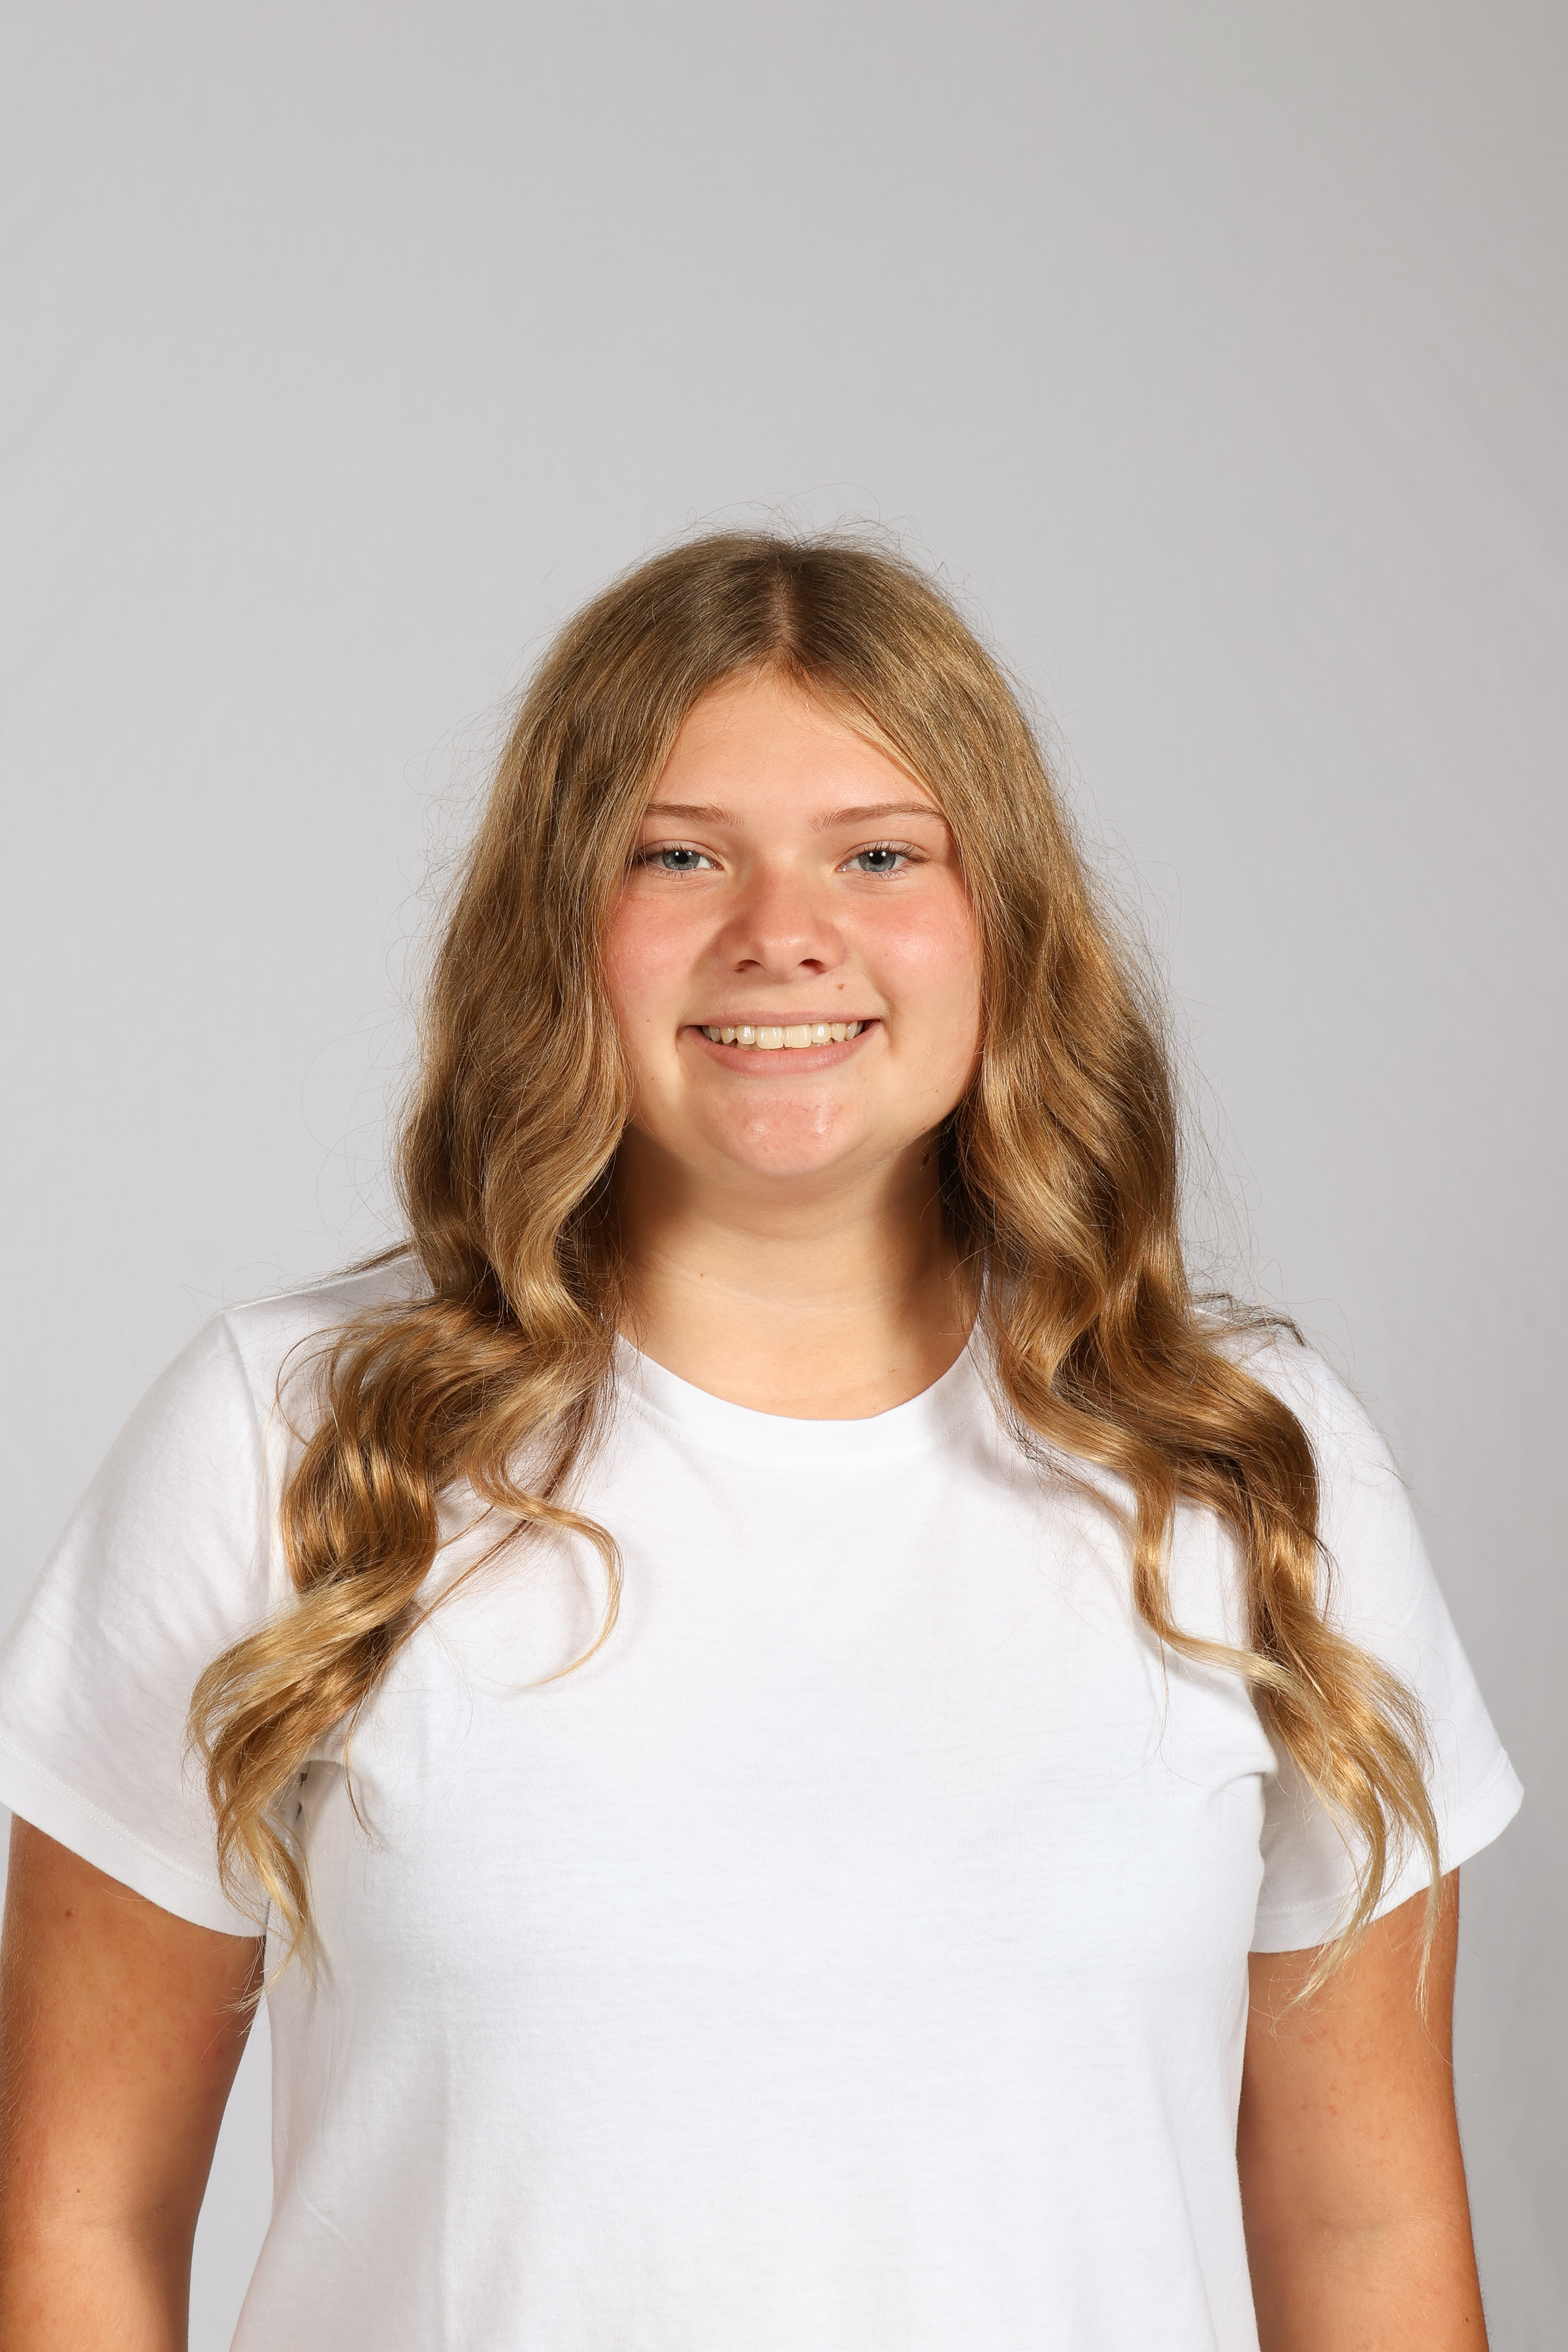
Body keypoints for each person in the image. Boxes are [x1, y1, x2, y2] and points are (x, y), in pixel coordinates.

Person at [0, 531, 1520, 2351]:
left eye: (880, 854)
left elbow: (1364, 2232)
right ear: (556, 924)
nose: (782, 932)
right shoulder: (296, 1441)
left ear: (1005, 924)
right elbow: (77, 2214)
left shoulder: (1253, 1471)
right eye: (678, 855)